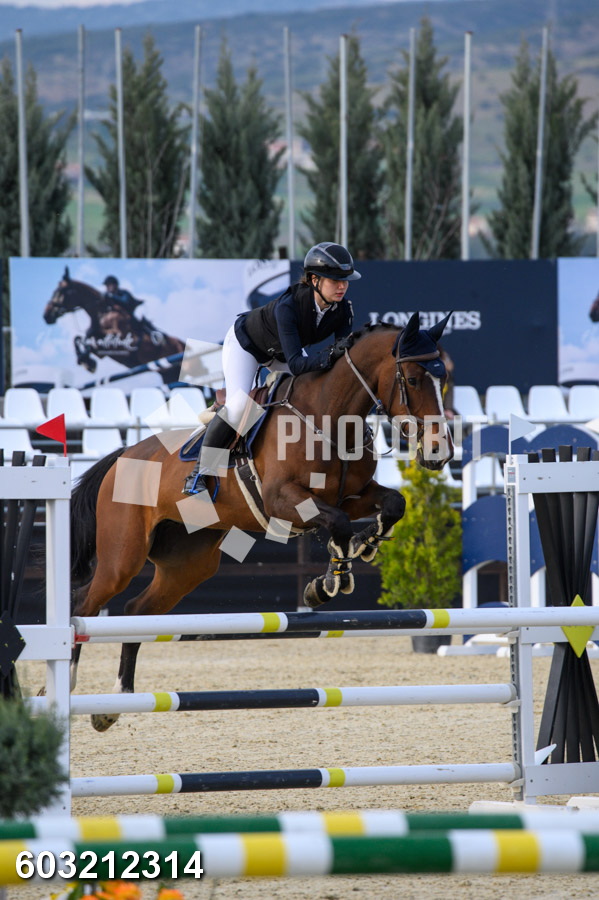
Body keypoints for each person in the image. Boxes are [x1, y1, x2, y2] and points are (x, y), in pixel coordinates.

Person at [183, 241, 361, 495]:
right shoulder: (289, 307)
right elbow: (298, 365)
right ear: (314, 280)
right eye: (335, 280)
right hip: (246, 346)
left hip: (279, 352)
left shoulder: (343, 310)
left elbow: (340, 357)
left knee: (309, 395)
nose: (342, 286)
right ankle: (198, 474)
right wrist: (329, 356)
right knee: (239, 407)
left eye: (345, 281)